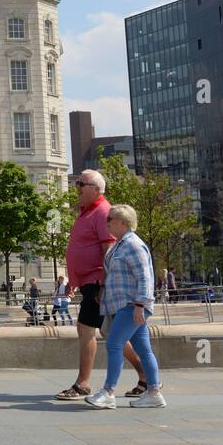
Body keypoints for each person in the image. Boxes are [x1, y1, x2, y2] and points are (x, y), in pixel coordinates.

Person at [56, 170, 146, 400]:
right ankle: (145, 376)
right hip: (90, 283)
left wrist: (103, 286)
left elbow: (109, 251)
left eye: (81, 184)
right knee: (109, 332)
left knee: (86, 329)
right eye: (77, 183)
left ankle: (82, 384)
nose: (77, 188)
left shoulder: (103, 212)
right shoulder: (87, 212)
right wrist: (73, 281)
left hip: (97, 284)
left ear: (96, 189)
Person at [86, 205, 166, 409]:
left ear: (123, 222)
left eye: (110, 219)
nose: (107, 222)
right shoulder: (120, 245)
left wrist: (140, 304)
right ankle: (154, 392)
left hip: (131, 304)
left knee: (114, 343)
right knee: (143, 348)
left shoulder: (133, 245)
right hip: (127, 304)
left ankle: (108, 392)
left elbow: (145, 277)